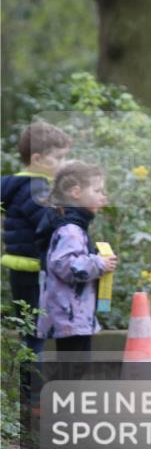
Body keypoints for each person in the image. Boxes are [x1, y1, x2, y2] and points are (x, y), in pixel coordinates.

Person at [1, 122, 72, 360]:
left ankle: (27, 392)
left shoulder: (17, 185)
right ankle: (32, 395)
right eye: (59, 158)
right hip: (33, 269)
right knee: (35, 335)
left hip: (19, 267)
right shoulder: (36, 188)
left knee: (28, 330)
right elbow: (49, 224)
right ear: (38, 158)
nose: (63, 164)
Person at [35, 162, 118, 360]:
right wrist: (99, 263)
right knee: (74, 368)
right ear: (76, 192)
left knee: (73, 367)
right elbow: (65, 265)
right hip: (70, 314)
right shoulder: (70, 230)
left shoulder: (72, 226)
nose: (103, 196)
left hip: (73, 314)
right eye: (97, 190)